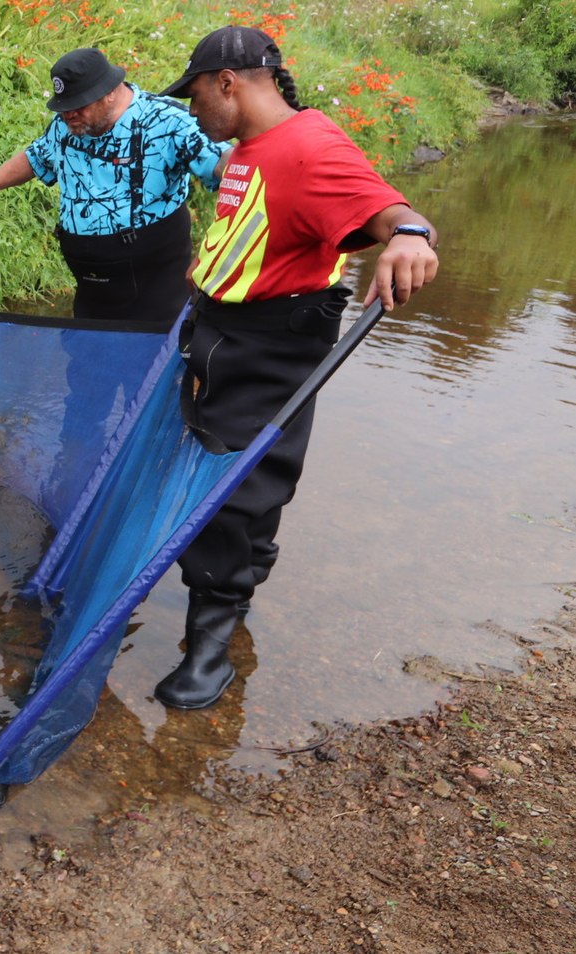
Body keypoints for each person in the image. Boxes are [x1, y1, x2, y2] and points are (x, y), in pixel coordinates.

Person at [155, 26, 439, 709]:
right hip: (222, 330)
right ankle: (245, 577)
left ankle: (209, 648)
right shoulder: (248, 148)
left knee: (224, 488)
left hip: (268, 342)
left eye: (195, 94)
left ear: (227, 83)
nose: (192, 110)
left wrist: (408, 235)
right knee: (245, 473)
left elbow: (385, 209)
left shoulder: (309, 146)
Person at [0, 48, 226, 326]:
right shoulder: (67, 124)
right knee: (87, 361)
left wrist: (216, 249)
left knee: (153, 361)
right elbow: (35, 158)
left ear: (110, 91)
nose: (68, 114)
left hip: (155, 284)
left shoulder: (168, 121)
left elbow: (231, 171)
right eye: (63, 106)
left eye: (78, 105)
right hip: (91, 283)